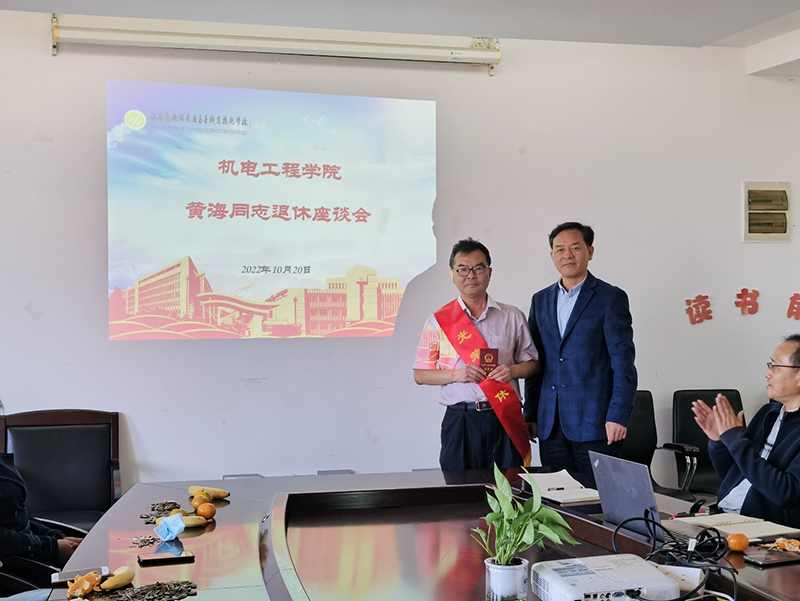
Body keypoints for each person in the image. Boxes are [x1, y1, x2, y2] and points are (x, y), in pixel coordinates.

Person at [413, 238, 539, 471]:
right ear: (452, 275)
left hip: (504, 416)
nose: (470, 275)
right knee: (460, 488)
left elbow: (532, 364)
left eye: (478, 268)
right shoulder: (437, 322)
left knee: (511, 486)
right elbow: (420, 375)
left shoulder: (512, 316)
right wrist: (456, 375)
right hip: (461, 420)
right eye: (462, 269)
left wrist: (512, 370)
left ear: (489, 273)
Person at [524, 222, 637, 480]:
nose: (567, 255)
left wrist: (618, 416)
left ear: (590, 251)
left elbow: (623, 364)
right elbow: (536, 363)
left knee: (598, 497)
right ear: (552, 255)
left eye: (575, 248)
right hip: (551, 426)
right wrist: (530, 414)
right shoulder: (540, 300)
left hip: (597, 425)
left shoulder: (610, 297)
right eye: (560, 249)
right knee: (556, 499)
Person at [692, 335, 800, 528]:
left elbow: (786, 492)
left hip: (767, 529)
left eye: (775, 366)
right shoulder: (768, 413)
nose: (767, 373)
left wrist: (735, 441)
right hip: (727, 517)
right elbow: (733, 476)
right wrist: (720, 442)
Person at [0, 401, 81, 568]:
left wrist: (55, 536)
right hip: (16, 567)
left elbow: (17, 514)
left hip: (33, 552)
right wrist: (51, 548)